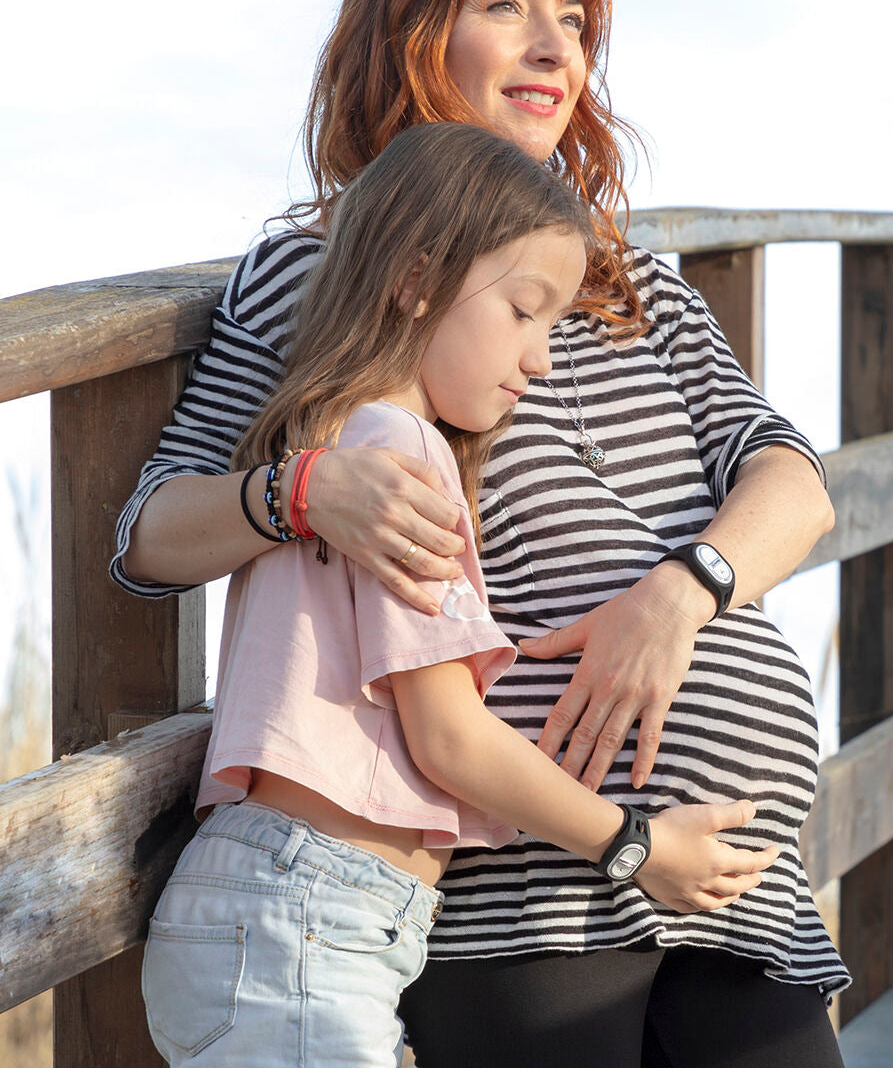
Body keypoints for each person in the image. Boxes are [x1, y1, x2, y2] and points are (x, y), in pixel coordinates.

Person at [115, 0, 849, 1066]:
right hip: (528, 906)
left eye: (576, 18)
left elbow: (795, 484)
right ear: (412, 31)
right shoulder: (320, 271)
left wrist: (680, 596)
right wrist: (296, 495)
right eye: (508, 4)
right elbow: (150, 531)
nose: (554, 45)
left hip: (733, 885)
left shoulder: (635, 284)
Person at [140, 121, 775, 1068]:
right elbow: (447, 737)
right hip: (306, 915)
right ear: (418, 278)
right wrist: (636, 846)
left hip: (296, 914)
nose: (544, 359)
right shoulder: (395, 458)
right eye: (525, 311)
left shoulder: (333, 439)